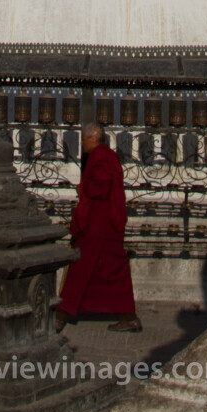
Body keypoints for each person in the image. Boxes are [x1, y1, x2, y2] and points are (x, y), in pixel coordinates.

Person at [56, 122, 141, 332]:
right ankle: (129, 316)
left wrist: (83, 188)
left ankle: (61, 313)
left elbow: (102, 185)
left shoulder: (100, 156)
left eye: (84, 139)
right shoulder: (108, 155)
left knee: (80, 266)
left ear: (93, 138)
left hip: (97, 224)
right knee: (113, 269)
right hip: (108, 224)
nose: (82, 144)